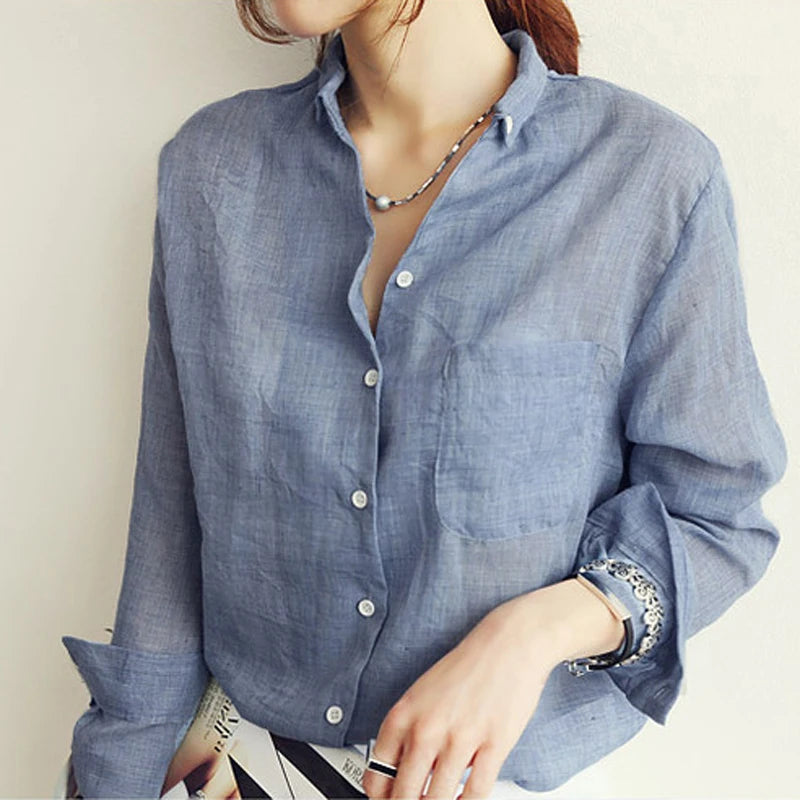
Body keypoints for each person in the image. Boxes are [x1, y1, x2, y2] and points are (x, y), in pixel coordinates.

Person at [60, 1, 788, 798]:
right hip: (237, 770)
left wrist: (531, 633)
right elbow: (170, 524)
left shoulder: (645, 175)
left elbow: (716, 517)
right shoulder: (212, 169)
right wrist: (115, 776)